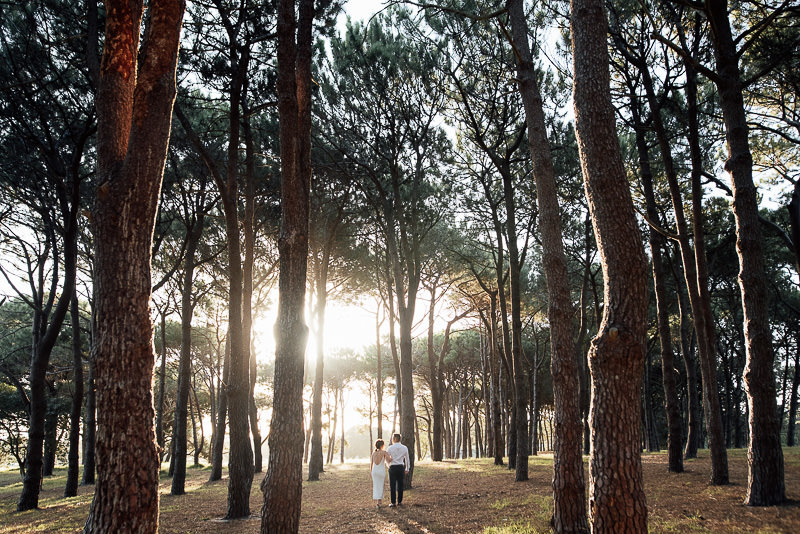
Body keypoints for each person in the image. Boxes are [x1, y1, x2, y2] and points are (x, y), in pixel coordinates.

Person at [386, 433, 410, 507]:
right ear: (400, 439)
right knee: (400, 485)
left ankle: (393, 503)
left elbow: (387, 459)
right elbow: (407, 459)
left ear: (394, 439)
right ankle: (399, 502)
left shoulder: (390, 448)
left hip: (392, 467)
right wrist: (407, 468)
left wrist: (388, 466)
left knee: (392, 485)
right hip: (400, 467)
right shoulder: (404, 447)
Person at [370, 439, 392, 508]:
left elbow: (371, 464)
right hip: (380, 471)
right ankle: (379, 502)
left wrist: (371, 472)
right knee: (381, 485)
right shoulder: (384, 452)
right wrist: (390, 455)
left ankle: (378, 502)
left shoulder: (373, 453)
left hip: (374, 471)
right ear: (382, 445)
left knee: (376, 485)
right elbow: (389, 460)